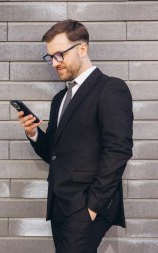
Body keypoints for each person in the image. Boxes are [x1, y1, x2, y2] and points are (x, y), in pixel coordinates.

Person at [17, 19, 133, 253]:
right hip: (59, 205)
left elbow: (118, 151)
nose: (54, 63)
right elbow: (55, 155)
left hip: (85, 206)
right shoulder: (59, 99)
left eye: (59, 54)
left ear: (82, 48)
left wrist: (92, 208)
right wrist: (34, 134)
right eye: (50, 57)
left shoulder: (111, 88)